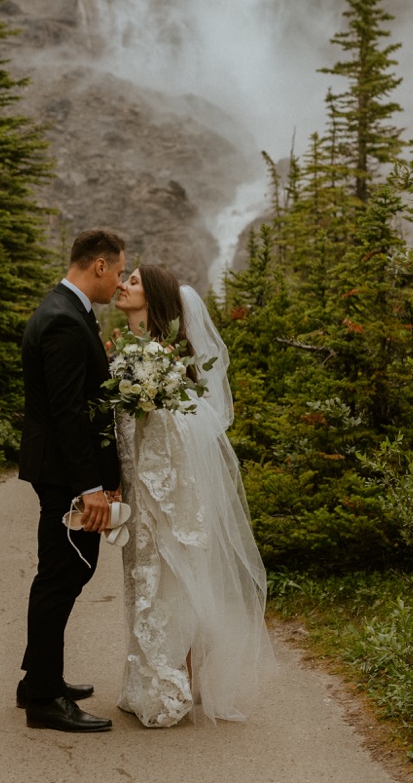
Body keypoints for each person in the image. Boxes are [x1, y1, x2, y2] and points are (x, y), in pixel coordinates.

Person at [111, 265, 274, 728]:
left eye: (135, 281)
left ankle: (175, 679)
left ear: (155, 300)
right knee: (145, 580)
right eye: (124, 278)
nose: (124, 285)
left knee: (171, 578)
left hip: (166, 489)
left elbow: (185, 428)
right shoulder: (133, 353)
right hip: (139, 488)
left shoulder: (161, 362)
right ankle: (149, 677)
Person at [17, 228, 127, 732]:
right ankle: (43, 698)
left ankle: (40, 679)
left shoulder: (69, 310)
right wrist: (90, 488)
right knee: (62, 577)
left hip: (62, 473)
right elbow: (68, 414)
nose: (120, 282)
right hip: (65, 477)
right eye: (120, 271)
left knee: (64, 573)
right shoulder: (63, 320)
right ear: (99, 265)